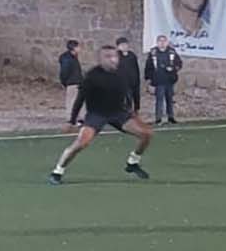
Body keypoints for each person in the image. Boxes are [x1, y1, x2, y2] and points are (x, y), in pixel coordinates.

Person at [48, 45, 153, 184]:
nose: (112, 59)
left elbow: (127, 93)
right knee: (81, 143)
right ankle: (57, 171)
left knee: (147, 134)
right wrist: (71, 121)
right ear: (100, 59)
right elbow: (80, 99)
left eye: (114, 56)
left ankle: (133, 162)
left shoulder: (121, 73)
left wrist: (133, 111)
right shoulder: (92, 76)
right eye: (107, 57)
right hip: (97, 114)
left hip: (118, 113)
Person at [144, 34, 183, 124]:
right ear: (157, 42)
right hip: (158, 81)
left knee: (170, 100)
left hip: (170, 80)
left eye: (164, 41)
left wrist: (173, 68)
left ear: (167, 42)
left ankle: (171, 117)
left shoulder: (172, 52)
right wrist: (148, 79)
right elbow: (148, 66)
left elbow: (179, 64)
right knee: (159, 100)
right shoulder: (153, 53)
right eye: (160, 41)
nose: (162, 43)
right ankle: (158, 118)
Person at [59, 40, 84, 126]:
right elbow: (64, 72)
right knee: (71, 100)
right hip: (72, 83)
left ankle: (80, 118)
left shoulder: (74, 57)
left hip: (78, 82)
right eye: (78, 47)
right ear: (74, 48)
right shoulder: (67, 59)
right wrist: (64, 82)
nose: (80, 48)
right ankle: (71, 119)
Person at [114, 37, 142, 111]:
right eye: (122, 45)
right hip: (123, 82)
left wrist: (137, 79)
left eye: (125, 44)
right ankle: (127, 112)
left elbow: (136, 68)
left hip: (134, 81)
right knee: (127, 99)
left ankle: (136, 111)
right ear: (118, 47)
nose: (124, 46)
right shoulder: (116, 56)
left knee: (136, 97)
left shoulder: (132, 55)